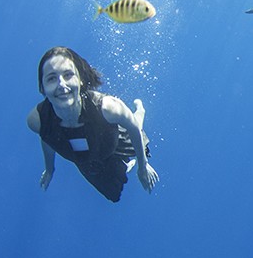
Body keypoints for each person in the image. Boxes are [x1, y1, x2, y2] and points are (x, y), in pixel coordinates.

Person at [26, 46, 159, 202]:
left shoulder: (108, 108)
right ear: (42, 88)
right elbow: (47, 137)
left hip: (115, 139)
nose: (61, 85)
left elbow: (132, 127)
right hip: (86, 157)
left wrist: (143, 167)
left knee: (136, 130)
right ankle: (124, 165)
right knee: (113, 194)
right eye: (51, 78)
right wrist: (50, 169)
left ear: (80, 79)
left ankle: (140, 110)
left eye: (68, 75)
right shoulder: (37, 121)